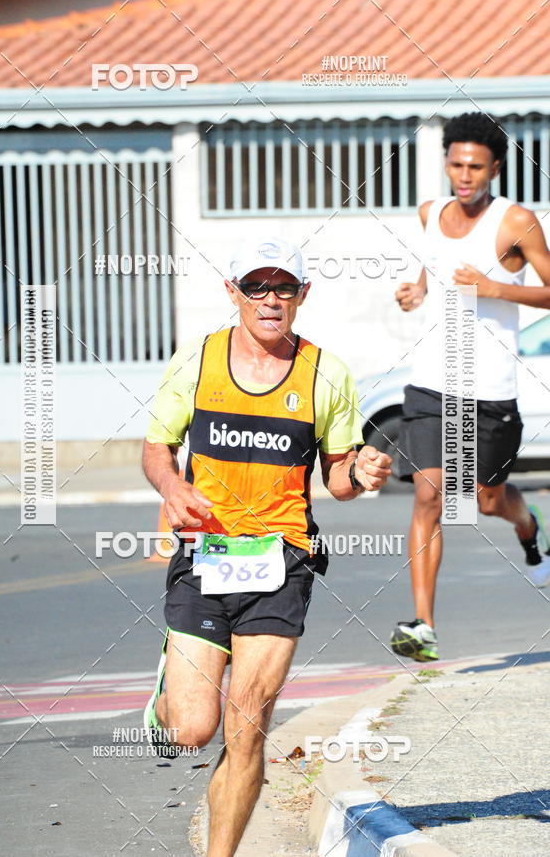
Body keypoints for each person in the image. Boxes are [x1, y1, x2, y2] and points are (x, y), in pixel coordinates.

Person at [141, 238, 392, 857]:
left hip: (284, 559)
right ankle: (168, 695)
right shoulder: (197, 359)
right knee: (192, 729)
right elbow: (156, 447)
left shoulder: (326, 373)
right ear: (233, 292)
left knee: (248, 723)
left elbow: (337, 478)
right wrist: (172, 488)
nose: (270, 299)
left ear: (303, 294)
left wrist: (360, 474)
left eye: (283, 287)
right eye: (257, 286)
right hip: (205, 554)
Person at [390, 112, 550, 663]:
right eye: (456, 165)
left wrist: (495, 288)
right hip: (431, 383)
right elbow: (433, 267)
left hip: (490, 391)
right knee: (430, 495)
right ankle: (423, 626)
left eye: (476, 167)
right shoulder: (429, 213)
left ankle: (529, 524)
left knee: (486, 500)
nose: (464, 176)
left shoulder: (516, 222)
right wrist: (416, 290)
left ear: (495, 169)